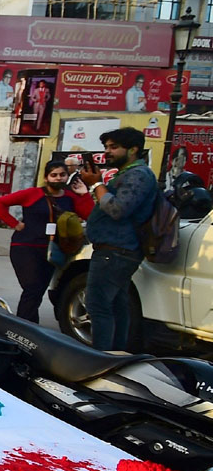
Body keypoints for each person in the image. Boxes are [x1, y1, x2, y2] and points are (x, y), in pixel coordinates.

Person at [78, 127, 158, 351]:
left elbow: (117, 209)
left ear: (133, 150)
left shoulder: (138, 175)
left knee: (98, 305)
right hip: (114, 250)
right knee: (116, 305)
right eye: (106, 147)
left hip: (117, 251)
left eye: (114, 147)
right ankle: (115, 355)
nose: (107, 152)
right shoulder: (127, 174)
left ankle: (101, 358)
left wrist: (96, 184)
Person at [0, 161, 94, 322]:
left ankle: (27, 327)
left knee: (37, 291)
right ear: (46, 178)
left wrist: (84, 194)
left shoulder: (70, 198)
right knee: (32, 288)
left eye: (62, 174)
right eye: (54, 175)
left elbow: (89, 215)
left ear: (67, 176)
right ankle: (24, 327)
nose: (58, 178)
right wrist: (15, 224)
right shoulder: (33, 194)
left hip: (53, 250)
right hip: (26, 248)